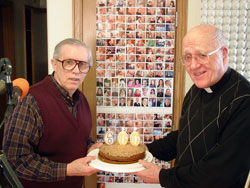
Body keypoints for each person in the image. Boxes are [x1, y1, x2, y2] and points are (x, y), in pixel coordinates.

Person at [132, 24, 250, 187]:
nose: (193, 65)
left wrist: (162, 176)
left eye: (202, 55)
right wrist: (146, 149)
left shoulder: (244, 100)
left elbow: (222, 173)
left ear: (223, 54)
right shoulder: (196, 89)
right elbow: (186, 136)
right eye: (187, 57)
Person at [2, 38, 102, 188]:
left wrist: (90, 147)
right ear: (54, 64)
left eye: (82, 64)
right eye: (68, 62)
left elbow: (80, 135)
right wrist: (67, 170)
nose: (76, 70)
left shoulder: (81, 99)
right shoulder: (31, 101)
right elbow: (16, 160)